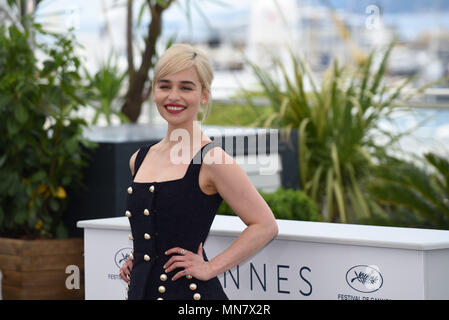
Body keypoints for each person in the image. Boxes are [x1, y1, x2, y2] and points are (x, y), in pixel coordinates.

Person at [119, 44, 278, 300]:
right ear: (154, 92)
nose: (173, 96)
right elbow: (154, 226)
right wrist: (139, 258)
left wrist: (210, 267)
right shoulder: (139, 159)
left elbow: (265, 225)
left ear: (204, 95)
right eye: (164, 85)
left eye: (186, 87)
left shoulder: (212, 159)